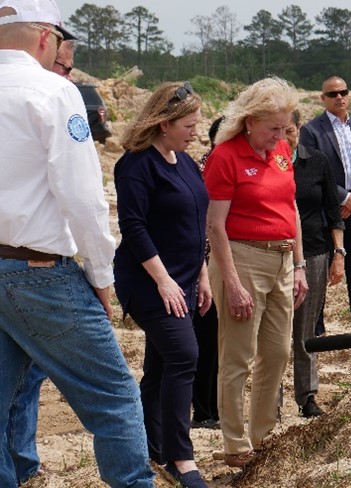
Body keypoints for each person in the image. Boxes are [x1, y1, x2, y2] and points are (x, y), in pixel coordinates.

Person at [0, 0, 155, 486]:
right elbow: (83, 197)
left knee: (5, 398)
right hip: (40, 268)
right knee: (114, 397)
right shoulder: (53, 91)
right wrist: (103, 276)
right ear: (45, 36)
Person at [203, 76, 308, 469]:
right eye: (272, 128)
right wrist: (231, 283)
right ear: (249, 121)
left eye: (284, 128)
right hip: (241, 259)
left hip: (282, 260)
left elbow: (290, 208)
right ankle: (235, 443)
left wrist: (298, 265)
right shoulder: (225, 157)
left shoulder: (281, 151)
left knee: (278, 352)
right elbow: (215, 225)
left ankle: (263, 436)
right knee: (237, 356)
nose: (280, 136)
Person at [114, 82, 210, 488]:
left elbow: (196, 220)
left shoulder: (184, 161)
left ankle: (147, 447)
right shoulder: (136, 165)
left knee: (159, 369)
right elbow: (133, 227)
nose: (196, 132)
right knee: (185, 356)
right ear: (164, 123)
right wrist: (165, 281)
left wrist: (202, 275)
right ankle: (180, 458)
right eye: (188, 125)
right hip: (149, 282)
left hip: (185, 281)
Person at [5, 37, 75, 485]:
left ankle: (21, 464)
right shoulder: (44, 102)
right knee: (113, 392)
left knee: (24, 377)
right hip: (32, 266)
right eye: (63, 65)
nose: (65, 74)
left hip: (30, 261)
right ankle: (23, 467)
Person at [300, 75, 351, 333]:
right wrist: (343, 198)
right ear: (323, 99)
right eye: (332, 94)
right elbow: (313, 174)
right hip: (325, 213)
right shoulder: (311, 132)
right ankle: (317, 327)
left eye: (343, 92)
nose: (339, 97)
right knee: (320, 271)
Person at [286, 110, 345, 417]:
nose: (285, 138)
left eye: (290, 131)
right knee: (274, 333)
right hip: (275, 255)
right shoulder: (266, 164)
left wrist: (339, 254)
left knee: (305, 330)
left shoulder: (318, 162)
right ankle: (271, 401)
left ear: (300, 130)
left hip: (314, 253)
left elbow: (333, 213)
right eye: (278, 131)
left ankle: (306, 396)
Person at [191, 116, 224, 430]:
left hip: (229, 266)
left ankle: (215, 408)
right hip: (204, 267)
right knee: (206, 341)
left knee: (220, 343)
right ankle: (204, 410)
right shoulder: (203, 170)